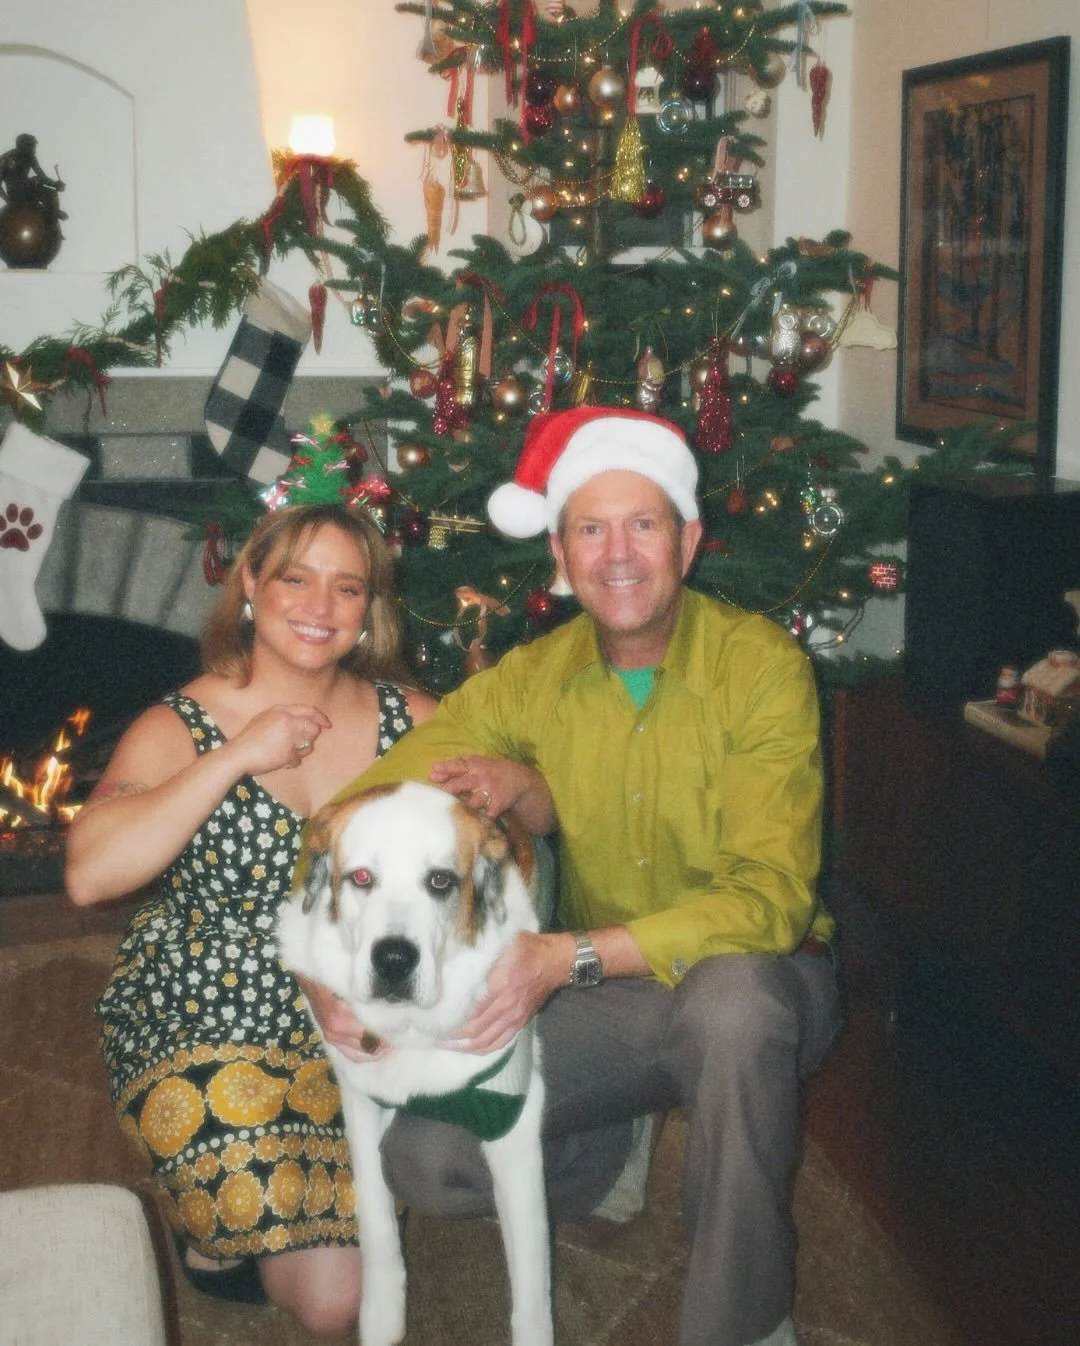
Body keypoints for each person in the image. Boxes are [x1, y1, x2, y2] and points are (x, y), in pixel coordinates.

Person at [302, 407, 842, 1346]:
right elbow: (363, 804)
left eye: (644, 524)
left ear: (691, 538)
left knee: (730, 1011)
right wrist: (320, 962)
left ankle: (744, 1322)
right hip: (615, 993)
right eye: (592, 529)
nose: (619, 554)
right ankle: (607, 1140)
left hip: (765, 973)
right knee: (432, 1160)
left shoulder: (763, 669)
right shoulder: (535, 676)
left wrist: (566, 957)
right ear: (559, 549)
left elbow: (767, 902)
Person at [65, 499, 548, 1337]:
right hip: (209, 1003)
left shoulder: (415, 719)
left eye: (347, 587)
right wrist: (236, 757)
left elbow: (514, 839)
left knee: (344, 1292)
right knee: (330, 1300)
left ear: (370, 611)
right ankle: (212, 1230)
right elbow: (87, 875)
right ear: (250, 582)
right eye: (295, 578)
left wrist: (512, 791)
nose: (320, 606)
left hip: (366, 1001)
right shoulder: (178, 723)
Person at [0, 133, 67, 222]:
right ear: (24, 146)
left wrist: (55, 184)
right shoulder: (5, 159)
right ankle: (54, 217)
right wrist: (7, 200)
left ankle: (53, 218)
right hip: (16, 194)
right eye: (32, 147)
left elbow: (41, 175)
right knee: (38, 182)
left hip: (27, 192)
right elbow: (41, 176)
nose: (34, 150)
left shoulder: (30, 157)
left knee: (44, 187)